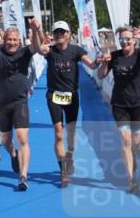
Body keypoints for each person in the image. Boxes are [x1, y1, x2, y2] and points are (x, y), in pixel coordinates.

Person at [0, 12, 42, 191]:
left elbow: (37, 47)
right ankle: (13, 154)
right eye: (9, 39)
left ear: (19, 41)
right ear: (4, 40)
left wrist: (36, 30)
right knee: (7, 140)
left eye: (15, 40)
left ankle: (23, 176)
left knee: (23, 138)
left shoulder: (25, 53)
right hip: (1, 102)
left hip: (20, 102)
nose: (12, 42)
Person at [40, 20, 100, 187]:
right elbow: (39, 48)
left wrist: (101, 59)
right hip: (54, 96)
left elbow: (92, 65)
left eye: (62, 32)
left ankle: (70, 155)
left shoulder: (76, 50)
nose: (59, 35)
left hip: (71, 97)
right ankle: (63, 171)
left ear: (68, 34)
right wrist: (36, 30)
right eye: (56, 32)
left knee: (71, 133)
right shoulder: (50, 51)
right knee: (59, 134)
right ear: (53, 35)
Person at [97, 26, 140, 192]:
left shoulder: (139, 54)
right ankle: (131, 179)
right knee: (126, 141)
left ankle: (133, 156)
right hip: (119, 104)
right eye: (121, 40)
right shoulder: (114, 56)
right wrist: (105, 62)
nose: (124, 43)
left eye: (127, 39)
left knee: (135, 141)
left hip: (138, 103)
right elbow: (101, 75)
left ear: (134, 41)